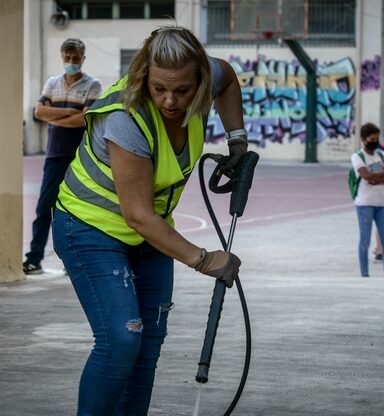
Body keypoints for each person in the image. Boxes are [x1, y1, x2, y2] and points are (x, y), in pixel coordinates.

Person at [51, 26, 246, 414]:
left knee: (148, 343)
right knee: (122, 339)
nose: (171, 101)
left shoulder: (206, 75)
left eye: (183, 91)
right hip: (90, 229)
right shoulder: (126, 118)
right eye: (159, 89)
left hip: (148, 232)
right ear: (144, 77)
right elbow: (137, 214)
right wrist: (205, 259)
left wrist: (237, 140)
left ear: (200, 81)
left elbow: (227, 78)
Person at [23, 38, 102, 275]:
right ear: (62, 57)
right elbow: (38, 111)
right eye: (67, 58)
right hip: (55, 155)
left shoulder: (93, 85)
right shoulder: (52, 82)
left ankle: (75, 261)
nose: (71, 62)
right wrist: (70, 111)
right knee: (44, 208)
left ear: (83, 58)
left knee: (78, 210)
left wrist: (54, 116)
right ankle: (34, 258)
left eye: (75, 58)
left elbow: (85, 118)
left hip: (80, 157)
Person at [351, 122, 384, 277]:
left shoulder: (381, 155)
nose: (375, 141)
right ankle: (364, 274)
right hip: (365, 204)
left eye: (377, 138)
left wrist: (373, 177)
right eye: (372, 138)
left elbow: (371, 177)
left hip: (381, 203)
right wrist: (378, 176)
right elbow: (366, 176)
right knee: (365, 240)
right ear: (364, 139)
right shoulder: (357, 157)